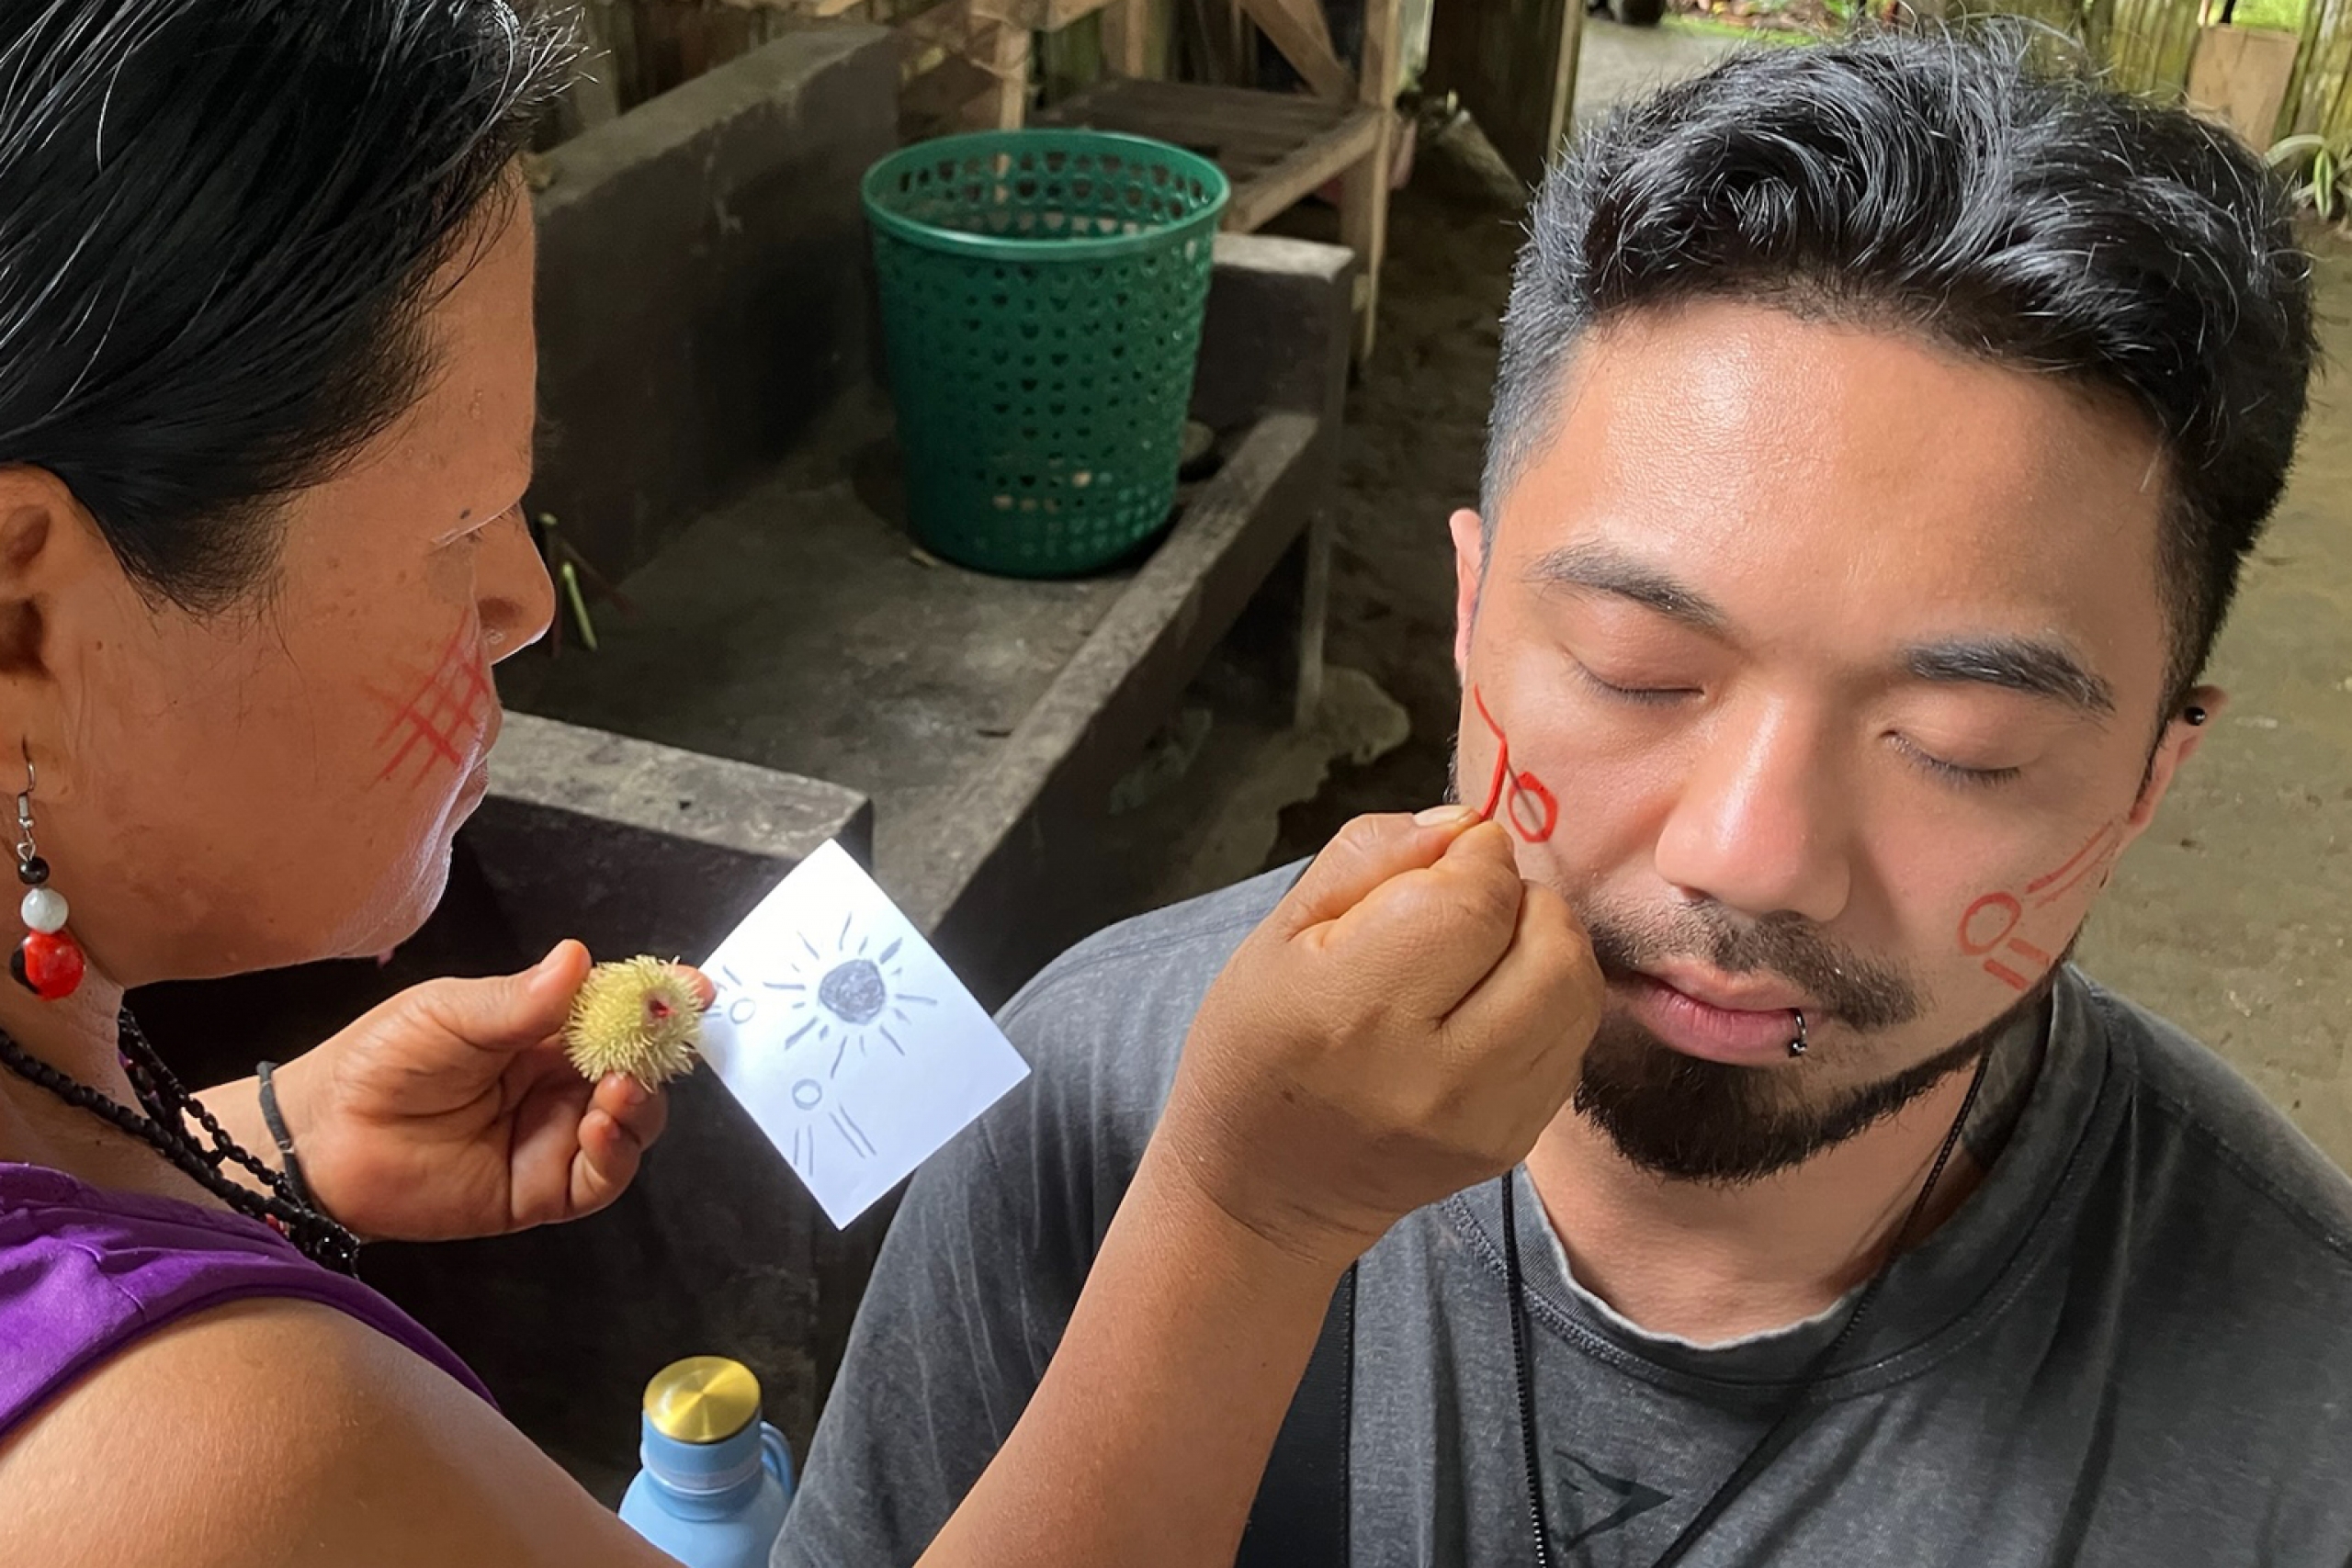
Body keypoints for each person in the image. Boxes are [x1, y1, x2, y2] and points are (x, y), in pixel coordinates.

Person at [0, 6, 1602, 1565]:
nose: (524, 605)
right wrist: (1245, 1218)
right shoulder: (204, 1469)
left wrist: (247, 1151)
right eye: (452, 531)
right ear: (22, 616)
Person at [779, 29, 2352, 1568]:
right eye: (1638, 669)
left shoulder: (2302, 1406)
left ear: (2156, 774)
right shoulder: (1098, 1108)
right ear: (1471, 621)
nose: (1748, 855)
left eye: (1964, 746)